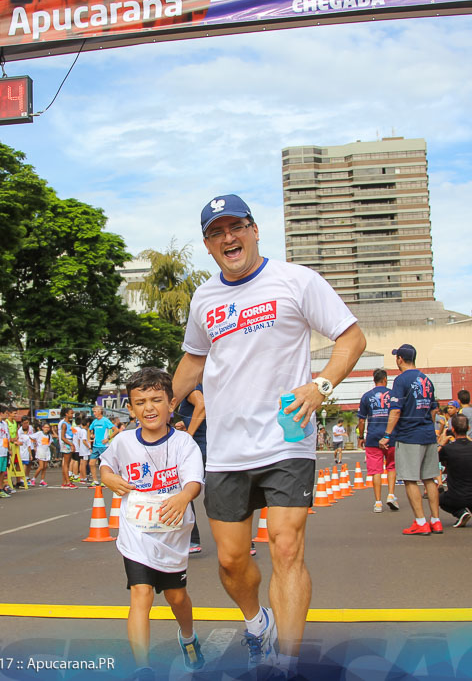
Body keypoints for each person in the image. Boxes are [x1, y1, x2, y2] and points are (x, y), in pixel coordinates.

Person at [172, 194, 365, 676]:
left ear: (255, 230)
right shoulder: (204, 298)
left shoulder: (296, 281)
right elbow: (194, 360)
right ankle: (257, 621)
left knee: (285, 545)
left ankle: (288, 662)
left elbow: (351, 338)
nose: (228, 238)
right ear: (207, 245)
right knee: (233, 561)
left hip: (287, 438)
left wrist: (321, 386)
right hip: (226, 449)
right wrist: (154, 413)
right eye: (217, 232)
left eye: (236, 227)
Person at [100, 368, 205, 678]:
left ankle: (188, 638)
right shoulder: (123, 441)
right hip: (136, 533)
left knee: (176, 597)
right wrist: (109, 479)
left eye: (156, 399)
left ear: (171, 404)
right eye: (140, 401)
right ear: (131, 409)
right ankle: (142, 668)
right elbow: (105, 466)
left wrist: (184, 497)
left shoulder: (184, 444)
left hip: (172, 535)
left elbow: (194, 481)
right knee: (141, 593)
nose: (149, 407)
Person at [379, 345, 441, 536]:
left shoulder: (401, 380)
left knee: (409, 479)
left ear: (399, 359)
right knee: (430, 478)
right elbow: (434, 410)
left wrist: (387, 434)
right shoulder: (427, 380)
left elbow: (396, 409)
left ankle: (421, 522)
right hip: (428, 433)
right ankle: (436, 520)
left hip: (408, 435)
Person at [357, 369, 398, 513]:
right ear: (385, 379)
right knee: (392, 466)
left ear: (374, 380)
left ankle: (378, 502)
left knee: (376, 471)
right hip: (391, 435)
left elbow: (361, 419)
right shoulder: (393, 395)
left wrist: (361, 436)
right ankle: (391, 495)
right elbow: (398, 414)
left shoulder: (366, 396)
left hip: (373, 436)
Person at [176, 384, 209, 554]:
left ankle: (192, 540)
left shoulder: (191, 387)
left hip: (200, 450)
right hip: (215, 448)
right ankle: (245, 544)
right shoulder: (211, 387)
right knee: (222, 495)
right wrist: (186, 423)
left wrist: (189, 433)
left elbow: (201, 405)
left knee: (184, 490)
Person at [57, 408, 76, 488]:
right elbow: (62, 437)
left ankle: (65, 482)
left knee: (67, 463)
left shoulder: (69, 423)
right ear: (66, 414)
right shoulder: (64, 424)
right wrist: (71, 444)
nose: (72, 415)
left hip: (69, 442)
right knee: (66, 464)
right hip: (67, 443)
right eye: (71, 413)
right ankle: (67, 482)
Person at [31, 422, 53, 487]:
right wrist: (35, 445)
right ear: (42, 428)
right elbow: (31, 437)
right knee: (41, 466)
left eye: (48, 427)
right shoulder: (39, 433)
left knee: (45, 467)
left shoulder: (49, 435)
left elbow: (50, 442)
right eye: (45, 427)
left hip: (46, 451)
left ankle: (42, 480)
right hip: (40, 451)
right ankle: (33, 479)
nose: (46, 429)